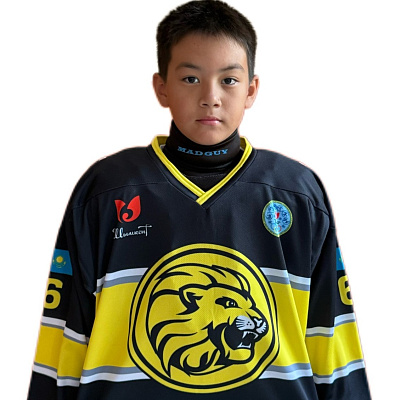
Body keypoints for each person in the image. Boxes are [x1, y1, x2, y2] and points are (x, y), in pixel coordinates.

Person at [27, 1, 371, 399]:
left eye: (229, 80)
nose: (211, 97)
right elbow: (63, 337)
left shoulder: (296, 194)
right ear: (161, 87)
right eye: (191, 78)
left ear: (251, 89)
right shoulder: (106, 191)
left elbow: (332, 338)